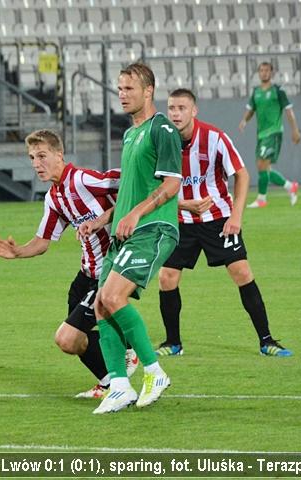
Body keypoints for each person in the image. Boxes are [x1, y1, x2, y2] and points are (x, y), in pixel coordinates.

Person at [0, 129, 138, 399]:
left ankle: (129, 349)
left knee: (67, 338)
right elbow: (43, 241)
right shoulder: (54, 197)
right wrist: (19, 252)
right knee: (77, 340)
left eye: (42, 156)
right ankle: (109, 382)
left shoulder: (83, 179)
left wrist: (105, 217)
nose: (36, 163)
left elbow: (132, 183)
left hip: (109, 272)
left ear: (60, 154)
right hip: (85, 274)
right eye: (32, 157)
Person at [157, 88, 292, 358]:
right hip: (180, 219)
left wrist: (236, 216)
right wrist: (182, 205)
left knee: (241, 272)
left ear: (194, 111)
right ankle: (173, 343)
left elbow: (241, 174)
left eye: (182, 108)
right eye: (172, 108)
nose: (176, 113)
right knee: (167, 277)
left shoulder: (215, 138)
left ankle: (267, 341)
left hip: (217, 218)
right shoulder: (161, 142)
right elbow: (156, 186)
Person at [78, 62, 182, 414]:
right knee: (100, 304)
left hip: (153, 230)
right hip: (125, 232)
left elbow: (172, 183)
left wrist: (137, 214)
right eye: (119, 88)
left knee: (111, 295)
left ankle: (154, 372)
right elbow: (129, 190)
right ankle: (120, 385)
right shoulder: (129, 133)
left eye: (128, 89)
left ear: (148, 91)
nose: (122, 94)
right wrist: (103, 219)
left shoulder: (162, 129)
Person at [239, 62, 301, 208]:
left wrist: (295, 130)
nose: (264, 73)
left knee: (262, 165)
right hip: (261, 134)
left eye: (266, 70)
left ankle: (262, 199)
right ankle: (289, 186)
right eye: (261, 70)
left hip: (274, 132)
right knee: (264, 168)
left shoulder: (278, 91)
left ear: (271, 73)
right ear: (258, 73)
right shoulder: (256, 92)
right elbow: (251, 109)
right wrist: (244, 120)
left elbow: (288, 110)